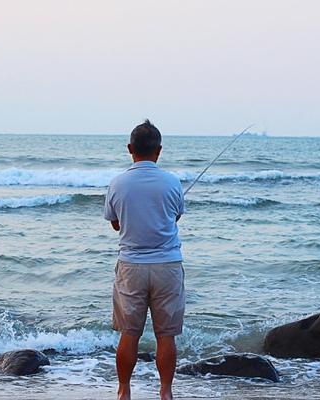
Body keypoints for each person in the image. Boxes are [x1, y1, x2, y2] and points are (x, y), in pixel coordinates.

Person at [104, 120, 186, 400]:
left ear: (130, 149)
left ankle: (124, 390)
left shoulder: (117, 184)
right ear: (159, 151)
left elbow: (115, 224)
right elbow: (174, 217)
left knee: (129, 333)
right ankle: (165, 391)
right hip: (167, 267)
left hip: (131, 267)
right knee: (166, 335)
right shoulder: (172, 182)